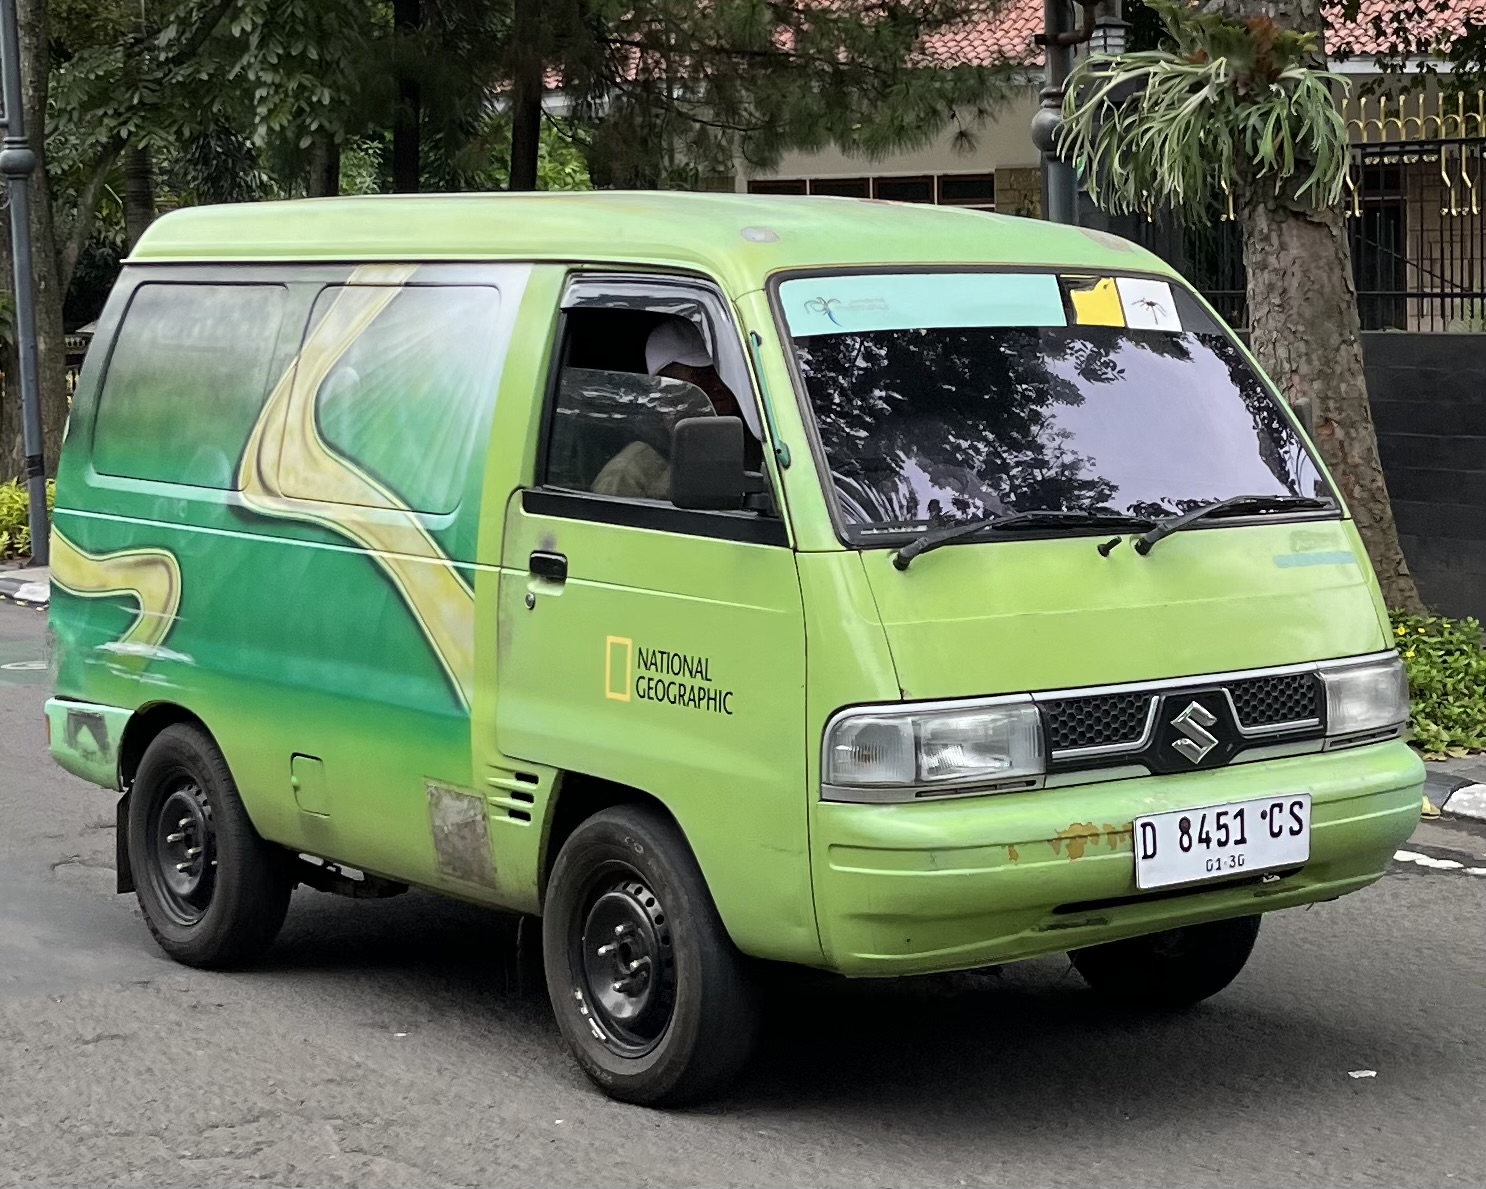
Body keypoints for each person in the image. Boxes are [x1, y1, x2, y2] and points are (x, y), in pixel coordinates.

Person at [592, 319, 747, 500]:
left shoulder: (760, 445)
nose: (717, 385)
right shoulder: (629, 475)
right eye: (699, 376)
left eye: (719, 372)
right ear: (665, 390)